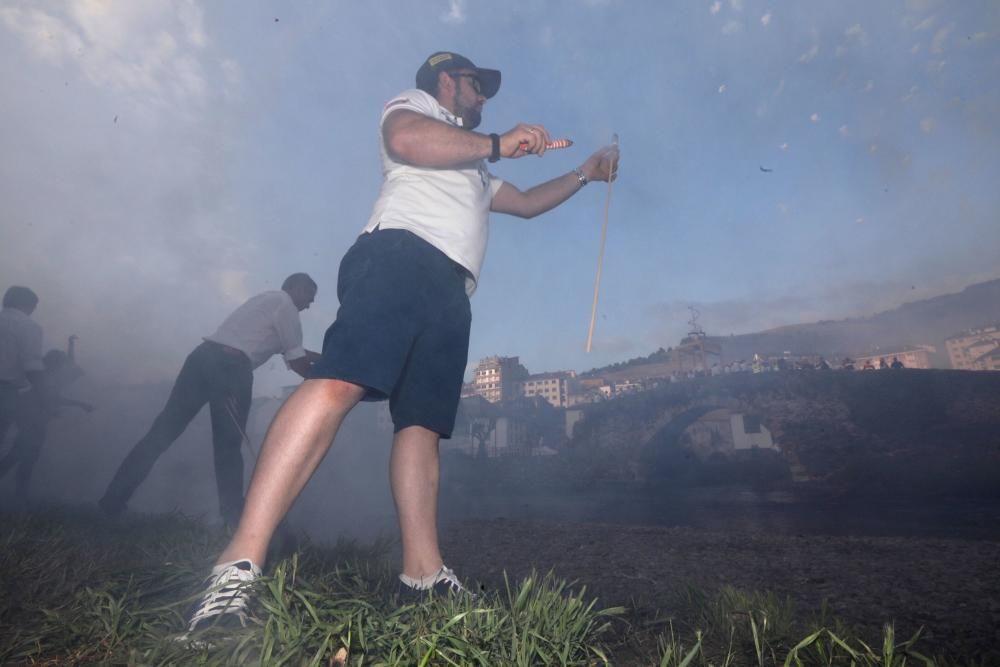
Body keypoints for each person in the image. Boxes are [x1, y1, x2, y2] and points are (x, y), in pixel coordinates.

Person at [184, 51, 619, 632]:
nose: (483, 96)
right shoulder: (416, 108)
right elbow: (409, 141)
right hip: (398, 255)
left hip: (450, 288)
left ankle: (423, 577)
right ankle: (236, 566)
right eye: (475, 84)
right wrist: (496, 141)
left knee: (421, 426)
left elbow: (530, 204)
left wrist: (587, 172)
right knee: (340, 379)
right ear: (445, 80)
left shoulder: (478, 171)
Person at [99, 273, 320, 527]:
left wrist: (324, 359)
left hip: (202, 358)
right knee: (228, 447)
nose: (308, 304)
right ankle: (233, 522)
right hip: (230, 368)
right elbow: (297, 362)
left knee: (161, 433)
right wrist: (321, 380)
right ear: (296, 287)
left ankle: (112, 502)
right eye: (308, 297)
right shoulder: (286, 305)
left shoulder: (266, 301)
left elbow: (293, 351)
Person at [0, 346, 93, 501]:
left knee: (24, 456)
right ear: (55, 364)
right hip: (32, 423)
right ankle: (21, 493)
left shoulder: (48, 377)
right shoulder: (44, 379)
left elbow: (69, 366)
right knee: (21, 456)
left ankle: (21, 493)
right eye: (60, 362)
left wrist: (71, 346)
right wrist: (80, 404)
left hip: (35, 422)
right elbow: (52, 397)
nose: (64, 366)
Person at [0, 286, 45, 497]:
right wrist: (44, 396)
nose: (34, 310)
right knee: (31, 439)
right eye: (34, 306)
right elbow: (33, 368)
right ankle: (20, 492)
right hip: (6, 391)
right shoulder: (28, 326)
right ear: (26, 304)